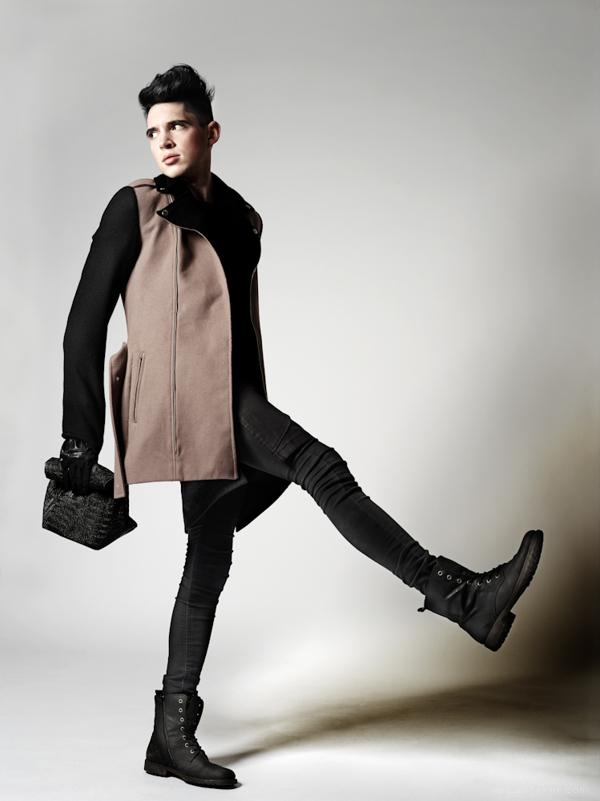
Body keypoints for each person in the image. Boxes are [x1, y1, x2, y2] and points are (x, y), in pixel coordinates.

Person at [59, 64, 544, 790]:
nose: (164, 142)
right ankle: (458, 594)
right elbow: (83, 323)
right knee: (320, 465)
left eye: (177, 126)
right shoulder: (135, 208)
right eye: (153, 131)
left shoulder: (241, 218)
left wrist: (255, 403)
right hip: (181, 400)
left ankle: (169, 732)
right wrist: (80, 439)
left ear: (210, 131)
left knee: (209, 556)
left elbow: (234, 324)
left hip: (230, 397)